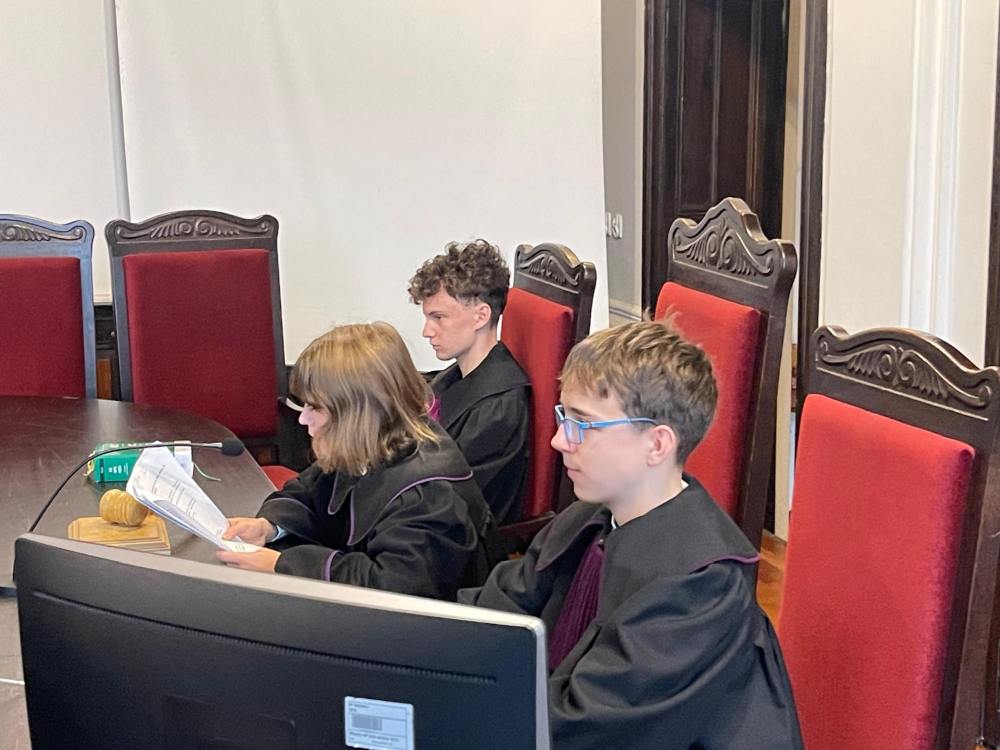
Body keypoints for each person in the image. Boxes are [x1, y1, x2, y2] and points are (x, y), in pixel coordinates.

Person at [459, 320, 803, 748]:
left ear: (657, 445)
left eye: (583, 424)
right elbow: (499, 607)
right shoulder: (588, 518)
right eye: (564, 417)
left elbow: (590, 724)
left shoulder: (701, 586)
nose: (558, 441)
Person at [217, 322, 496, 601]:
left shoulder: (428, 495)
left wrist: (284, 565)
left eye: (315, 407)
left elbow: (393, 589)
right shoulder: (368, 445)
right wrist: (269, 527)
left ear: (358, 414)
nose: (302, 418)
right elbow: (306, 492)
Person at [408, 239, 530, 526]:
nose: (427, 331)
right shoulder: (454, 375)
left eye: (438, 317)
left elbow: (451, 502)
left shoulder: (497, 409)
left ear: (480, 316)